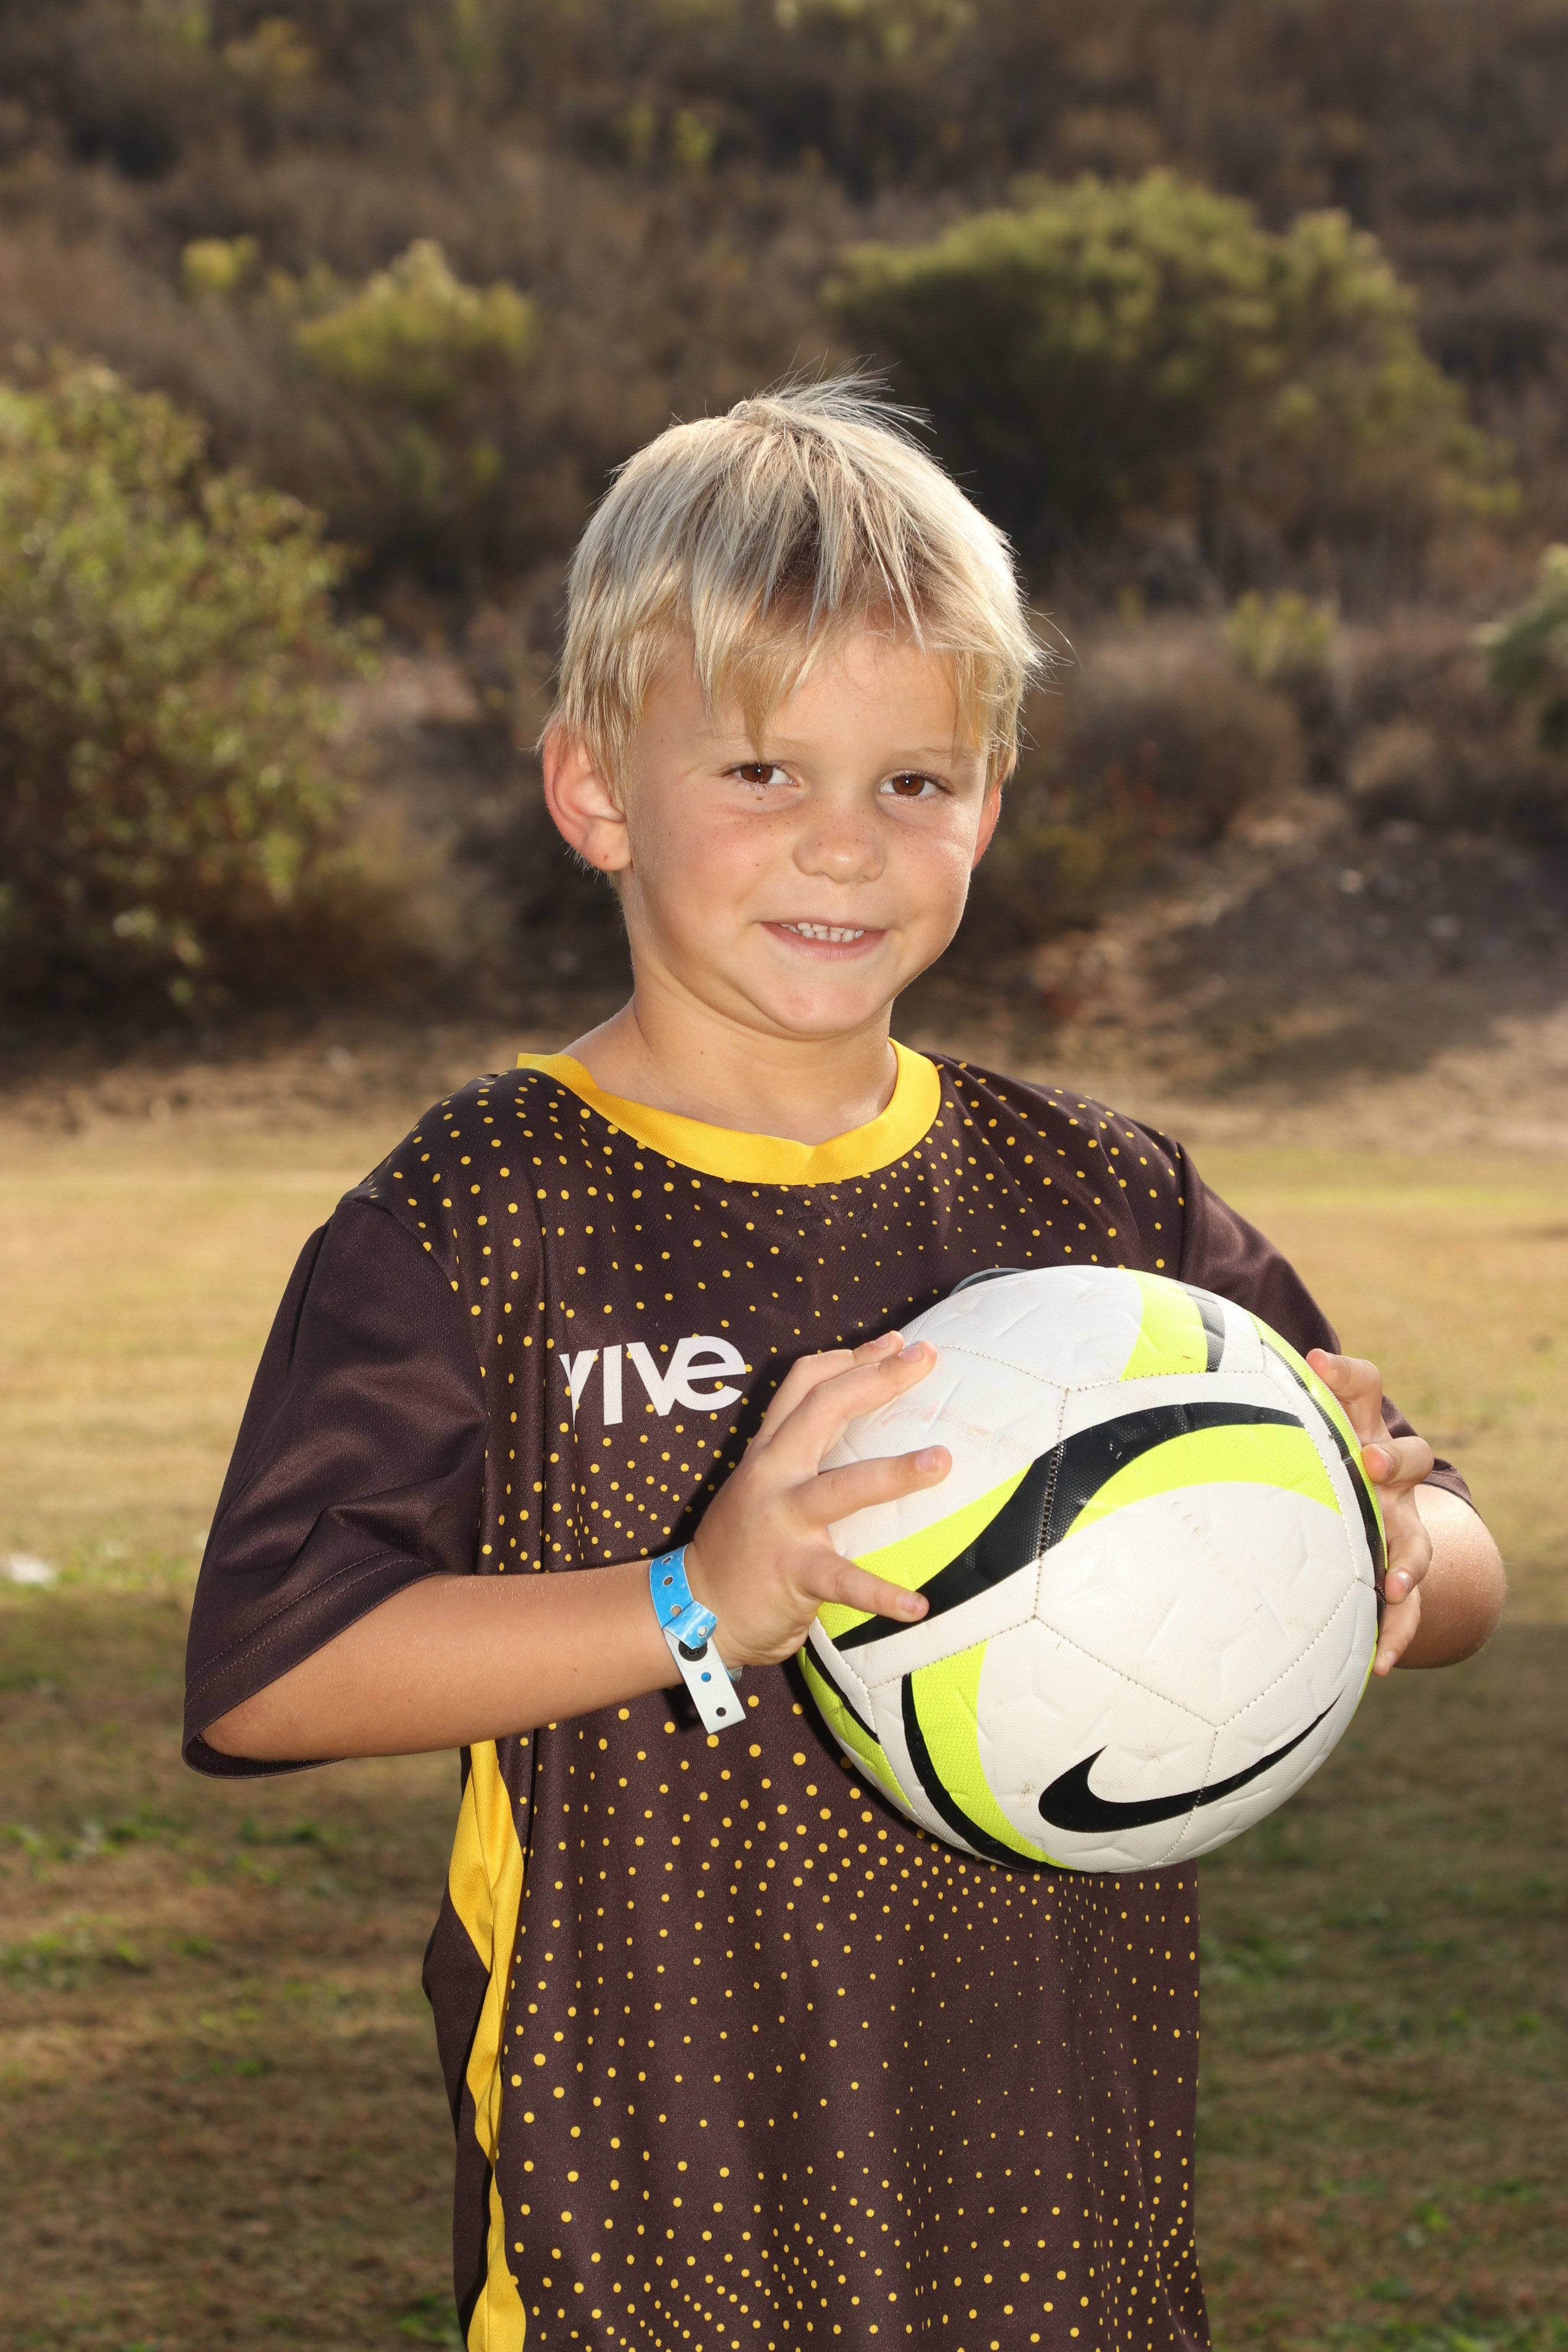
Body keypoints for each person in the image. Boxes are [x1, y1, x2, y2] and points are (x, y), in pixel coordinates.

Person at [184, 378, 1505, 2352]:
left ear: (989, 802)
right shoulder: (482, 1216)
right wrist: (694, 1603)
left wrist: (1380, 1546)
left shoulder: (1100, 1200)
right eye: (761, 770)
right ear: (594, 792)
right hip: (651, 2227)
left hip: (1062, 2225)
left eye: (915, 781)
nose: (846, 843)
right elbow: (270, 1672)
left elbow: (1456, 1555)